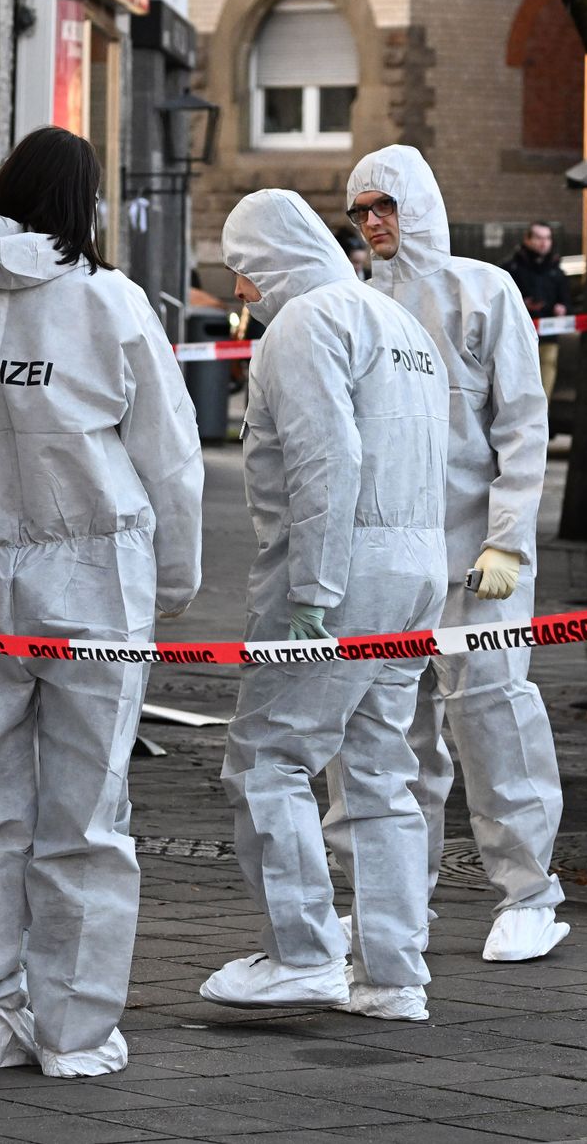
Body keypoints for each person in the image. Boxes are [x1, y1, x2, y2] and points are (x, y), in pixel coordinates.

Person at [0, 127, 204, 1078]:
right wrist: (176, 579)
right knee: (86, 809)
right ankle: (73, 1029)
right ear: (85, 204)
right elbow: (172, 458)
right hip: (93, 579)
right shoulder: (110, 303)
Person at [199, 189, 449, 1022]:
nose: (241, 293)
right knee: (380, 769)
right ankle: (394, 971)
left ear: (271, 258)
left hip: (341, 576)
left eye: (242, 272)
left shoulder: (304, 326)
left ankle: (303, 951)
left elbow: (326, 460)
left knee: (268, 757)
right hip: (415, 572)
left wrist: (312, 589)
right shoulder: (397, 324)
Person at [345, 147, 566, 964]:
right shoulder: (359, 304)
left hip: (480, 555)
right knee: (398, 734)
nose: (373, 222)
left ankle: (530, 892)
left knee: (495, 717)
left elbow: (521, 428)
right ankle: (402, 901)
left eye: (385, 206)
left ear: (420, 205)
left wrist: (507, 539)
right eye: (362, 210)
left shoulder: (485, 290)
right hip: (397, 558)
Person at [503, 221, 571, 399]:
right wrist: (523, 304)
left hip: (548, 337)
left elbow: (567, 302)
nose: (544, 243)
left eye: (548, 238)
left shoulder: (556, 272)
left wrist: (561, 309)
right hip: (518, 337)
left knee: (545, 384)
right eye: (539, 238)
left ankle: (543, 421)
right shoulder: (511, 269)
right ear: (527, 239)